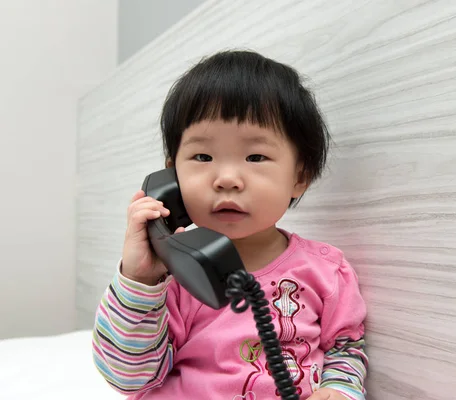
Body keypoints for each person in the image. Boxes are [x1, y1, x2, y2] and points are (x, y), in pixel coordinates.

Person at [92, 50, 368, 400]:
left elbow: (345, 346)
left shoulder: (327, 271)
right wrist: (140, 280)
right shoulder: (172, 280)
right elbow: (128, 379)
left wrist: (339, 390)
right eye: (202, 157)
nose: (227, 178)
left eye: (255, 157)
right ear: (171, 176)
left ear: (300, 177)